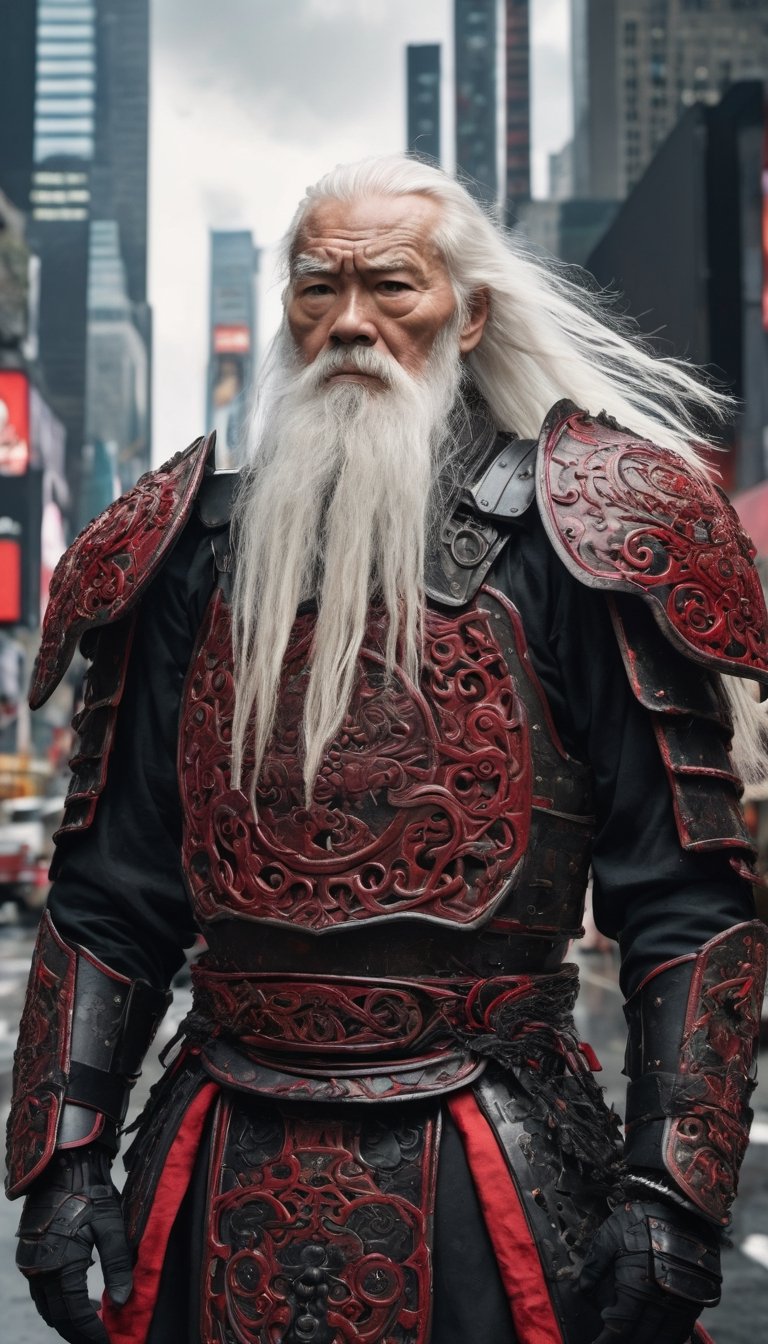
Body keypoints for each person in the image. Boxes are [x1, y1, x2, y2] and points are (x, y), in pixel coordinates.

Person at [6, 155, 768, 1344]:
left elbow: (686, 900)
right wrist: (60, 1165)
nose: (350, 321)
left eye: (391, 287)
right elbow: (109, 896)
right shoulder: (187, 555)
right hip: (214, 1149)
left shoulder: (584, 541)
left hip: (495, 1151)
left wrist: (674, 1193)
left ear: (468, 313)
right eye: (318, 288)